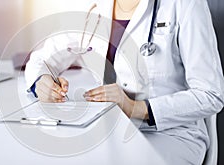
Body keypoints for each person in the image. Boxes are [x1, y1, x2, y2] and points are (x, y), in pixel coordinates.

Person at [25, 0, 224, 164]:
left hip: (170, 133)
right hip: (109, 130)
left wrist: (136, 107)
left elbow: (211, 94)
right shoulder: (92, 6)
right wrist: (41, 82)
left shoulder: (186, 5)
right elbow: (42, 59)